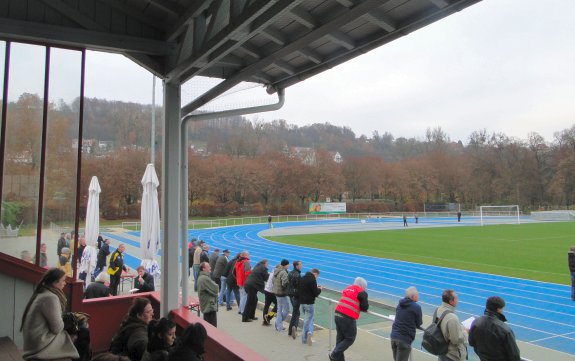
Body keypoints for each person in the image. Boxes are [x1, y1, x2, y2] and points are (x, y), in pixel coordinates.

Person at [20, 268, 79, 360]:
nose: (65, 283)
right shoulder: (50, 298)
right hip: (41, 345)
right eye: (63, 280)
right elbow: (57, 328)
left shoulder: (42, 292)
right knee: (82, 333)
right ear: (54, 282)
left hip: (34, 342)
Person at [328, 277, 369, 361]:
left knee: (340, 338)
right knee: (350, 338)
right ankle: (334, 353)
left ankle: (338, 359)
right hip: (347, 317)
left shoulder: (347, 288)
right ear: (362, 285)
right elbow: (365, 307)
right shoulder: (362, 292)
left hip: (337, 313)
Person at [469, 296, 520, 361]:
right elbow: (514, 355)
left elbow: (471, 342)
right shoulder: (504, 330)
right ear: (498, 309)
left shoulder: (476, 322)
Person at [390, 286, 423, 361]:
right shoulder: (416, 307)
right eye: (417, 295)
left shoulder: (399, 304)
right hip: (404, 339)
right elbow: (419, 323)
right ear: (413, 296)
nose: (418, 296)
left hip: (394, 337)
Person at [434, 289, 468, 361]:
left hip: (441, 351)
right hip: (451, 356)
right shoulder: (452, 317)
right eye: (456, 298)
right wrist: (465, 332)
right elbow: (455, 340)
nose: (458, 300)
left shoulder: (437, 310)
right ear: (451, 302)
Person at [299, 268, 321, 346]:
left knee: (308, 318)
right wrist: (319, 289)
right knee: (308, 320)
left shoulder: (303, 278)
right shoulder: (312, 280)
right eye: (317, 276)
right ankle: (305, 338)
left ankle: (309, 333)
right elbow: (315, 293)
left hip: (302, 302)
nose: (316, 278)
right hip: (309, 303)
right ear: (315, 274)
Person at [197, 262, 219, 327]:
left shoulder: (202, 277)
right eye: (208, 266)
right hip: (209, 306)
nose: (210, 268)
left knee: (208, 325)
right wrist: (215, 285)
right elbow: (216, 288)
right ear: (203, 269)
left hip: (207, 305)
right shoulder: (204, 278)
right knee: (211, 326)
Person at [272, 259, 290, 331]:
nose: (288, 266)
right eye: (288, 265)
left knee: (279, 309)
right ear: (286, 265)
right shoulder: (283, 272)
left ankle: (279, 325)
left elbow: (273, 281)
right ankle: (278, 323)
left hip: (276, 292)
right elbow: (284, 283)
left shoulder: (276, 271)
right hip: (282, 293)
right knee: (287, 309)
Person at [287, 260, 303, 339]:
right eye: (300, 265)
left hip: (290, 294)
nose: (301, 266)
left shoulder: (290, 273)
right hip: (295, 295)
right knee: (296, 313)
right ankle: (294, 329)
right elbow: (298, 286)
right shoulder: (297, 275)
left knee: (295, 312)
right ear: (296, 266)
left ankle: (290, 330)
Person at [235, 250, 252, 315]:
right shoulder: (246, 262)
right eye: (248, 254)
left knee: (242, 295)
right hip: (244, 282)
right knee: (244, 296)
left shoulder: (238, 261)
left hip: (239, 281)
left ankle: (240, 309)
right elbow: (247, 273)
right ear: (245, 255)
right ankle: (242, 311)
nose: (249, 256)